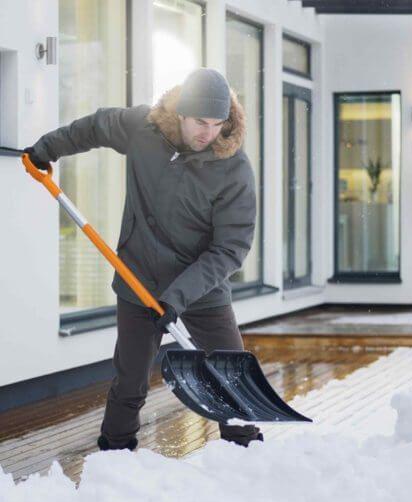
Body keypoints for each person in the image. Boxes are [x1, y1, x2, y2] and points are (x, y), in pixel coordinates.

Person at [24, 68, 263, 450]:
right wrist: (45, 149)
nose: (209, 132)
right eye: (201, 122)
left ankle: (246, 453)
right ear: (181, 113)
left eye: (218, 124)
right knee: (130, 379)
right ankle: (116, 455)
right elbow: (96, 127)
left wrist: (177, 297)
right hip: (140, 279)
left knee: (230, 375)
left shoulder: (233, 168)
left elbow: (230, 248)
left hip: (201, 287)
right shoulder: (144, 129)